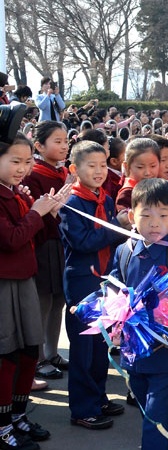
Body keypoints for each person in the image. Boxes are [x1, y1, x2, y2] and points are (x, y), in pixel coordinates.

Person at [106, 178, 168, 449]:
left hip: (167, 349)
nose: (154, 222)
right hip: (131, 348)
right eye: (146, 215)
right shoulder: (124, 251)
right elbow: (115, 287)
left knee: (156, 408)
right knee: (142, 398)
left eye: (162, 215)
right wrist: (112, 320)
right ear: (131, 216)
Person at [0, 129, 69, 450]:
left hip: (25, 278)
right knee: (6, 355)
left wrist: (49, 209)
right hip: (4, 284)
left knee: (28, 349)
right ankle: (3, 425)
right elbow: (12, 238)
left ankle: (17, 414)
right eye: (15, 161)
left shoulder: (15, 192)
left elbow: (34, 233)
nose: (22, 168)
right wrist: (36, 211)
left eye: (27, 161)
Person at [60, 141, 130, 431]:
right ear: (75, 169)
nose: (100, 171)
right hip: (82, 281)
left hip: (105, 279)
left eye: (103, 165)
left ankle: (98, 397)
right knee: (83, 348)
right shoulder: (71, 203)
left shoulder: (106, 197)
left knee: (102, 343)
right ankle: (82, 408)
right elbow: (82, 242)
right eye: (92, 166)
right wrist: (116, 228)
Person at [22, 121, 70, 381]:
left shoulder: (62, 172)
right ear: (39, 146)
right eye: (57, 141)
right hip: (44, 244)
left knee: (58, 300)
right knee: (43, 301)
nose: (64, 146)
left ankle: (52, 352)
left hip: (60, 243)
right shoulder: (35, 174)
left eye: (65, 141)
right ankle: (39, 357)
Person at [115, 138, 161, 213]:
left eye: (153, 166)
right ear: (126, 167)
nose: (147, 173)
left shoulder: (159, 186)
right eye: (140, 167)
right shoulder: (127, 195)